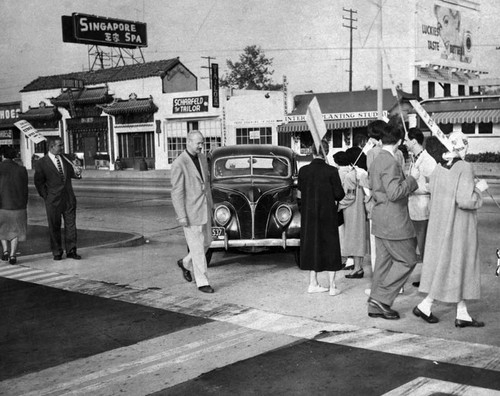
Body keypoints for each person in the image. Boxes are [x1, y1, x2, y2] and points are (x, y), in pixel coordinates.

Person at [415, 132, 488, 328]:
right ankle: (427, 305)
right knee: (459, 265)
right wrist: (479, 189)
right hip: (459, 227)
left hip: (440, 225)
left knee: (448, 266)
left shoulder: (439, 169)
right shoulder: (465, 167)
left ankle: (459, 312)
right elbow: (465, 200)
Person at [368, 123, 419, 320]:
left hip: (380, 219)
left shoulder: (376, 159)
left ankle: (375, 303)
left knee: (383, 263)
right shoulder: (390, 162)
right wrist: (412, 180)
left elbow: (374, 187)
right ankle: (382, 299)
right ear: (399, 141)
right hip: (394, 221)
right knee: (408, 260)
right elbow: (395, 192)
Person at [297, 140, 345, 296]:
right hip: (328, 215)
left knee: (312, 246)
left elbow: (299, 195)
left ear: (312, 151)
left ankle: (313, 283)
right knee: (330, 246)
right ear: (327, 151)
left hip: (309, 215)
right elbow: (339, 194)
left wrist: (303, 209)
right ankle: (332, 286)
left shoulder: (303, 171)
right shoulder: (331, 171)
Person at [171, 130, 214, 293]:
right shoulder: (179, 163)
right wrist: (181, 215)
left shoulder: (202, 158)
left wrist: (211, 205)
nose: (201, 146)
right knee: (197, 248)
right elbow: (176, 192)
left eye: (202, 143)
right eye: (198, 143)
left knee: (207, 243)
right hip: (190, 213)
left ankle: (185, 263)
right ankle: (203, 282)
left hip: (204, 209)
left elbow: (206, 184)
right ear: (188, 142)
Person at [34, 137, 82, 261]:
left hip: (68, 198)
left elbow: (73, 174)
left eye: (62, 145)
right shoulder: (42, 162)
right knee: (54, 226)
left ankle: (71, 250)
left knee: (71, 225)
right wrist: (46, 196)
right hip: (53, 200)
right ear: (51, 147)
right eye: (59, 145)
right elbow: (39, 182)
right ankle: (57, 251)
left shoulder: (66, 159)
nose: (62, 148)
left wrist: (77, 172)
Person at [405, 128, 437, 266]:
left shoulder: (428, 161)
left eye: (406, 140)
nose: (405, 143)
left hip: (423, 209)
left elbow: (433, 186)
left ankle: (427, 281)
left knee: (424, 246)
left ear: (413, 141)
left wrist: (412, 187)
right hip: (414, 208)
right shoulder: (414, 159)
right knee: (418, 245)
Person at [333, 151, 367, 279]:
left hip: (351, 210)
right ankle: (359, 266)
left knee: (353, 239)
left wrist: (338, 206)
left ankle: (358, 268)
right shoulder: (361, 174)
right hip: (360, 208)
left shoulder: (349, 176)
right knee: (359, 238)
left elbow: (349, 196)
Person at [0, 147, 28, 265]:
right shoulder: (21, 169)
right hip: (19, 205)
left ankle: (5, 250)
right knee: (16, 231)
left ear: (2, 155)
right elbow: (25, 188)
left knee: (2, 229)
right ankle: (13, 255)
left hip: (2, 205)